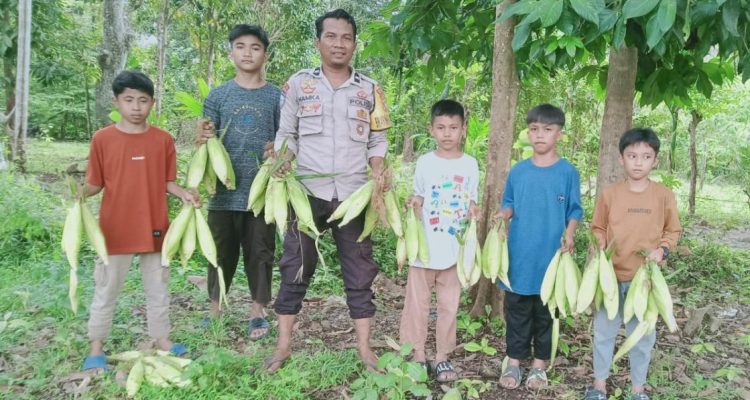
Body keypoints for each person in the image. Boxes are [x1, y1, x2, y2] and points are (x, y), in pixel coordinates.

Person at [265, 8, 390, 373]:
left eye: (346, 37)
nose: (339, 44)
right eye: (331, 36)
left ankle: (366, 350)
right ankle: (283, 345)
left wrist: (379, 168)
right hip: (306, 191)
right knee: (294, 267)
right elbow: (287, 133)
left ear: (354, 43)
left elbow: (378, 138)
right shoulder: (299, 84)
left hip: (353, 195)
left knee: (359, 271)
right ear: (318, 41)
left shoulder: (369, 89)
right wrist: (283, 159)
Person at [81, 71, 200, 371]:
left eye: (143, 101)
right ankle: (96, 346)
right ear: (116, 101)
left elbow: (167, 182)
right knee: (106, 287)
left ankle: (161, 340)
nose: (136, 107)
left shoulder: (162, 140)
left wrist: (185, 193)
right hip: (114, 230)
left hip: (155, 227)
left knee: (158, 288)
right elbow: (94, 184)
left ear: (153, 103)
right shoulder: (102, 139)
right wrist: (78, 194)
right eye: (129, 100)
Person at [195, 24, 281, 340]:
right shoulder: (218, 96)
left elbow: (286, 138)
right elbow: (204, 140)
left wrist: (279, 151)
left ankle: (258, 313)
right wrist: (201, 135)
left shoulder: (277, 96)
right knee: (219, 252)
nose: (248, 52)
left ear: (265, 55)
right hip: (222, 192)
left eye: (255, 47)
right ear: (231, 53)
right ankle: (215, 310)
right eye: (241, 46)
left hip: (262, 192)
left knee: (261, 252)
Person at [584, 128, 682, 400]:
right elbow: (598, 226)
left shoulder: (664, 195)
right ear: (621, 159)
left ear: (655, 161)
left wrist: (662, 251)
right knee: (604, 334)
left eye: (646, 156)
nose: (638, 162)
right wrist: (600, 243)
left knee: (642, 337)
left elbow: (673, 231)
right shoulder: (610, 193)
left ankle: (638, 389)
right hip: (611, 279)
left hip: (646, 281)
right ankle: (599, 386)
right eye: (632, 156)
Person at [497, 104, 583, 389]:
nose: (539, 135)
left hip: (552, 259)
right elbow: (508, 202)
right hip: (519, 257)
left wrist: (570, 234)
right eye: (534, 129)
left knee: (546, 315)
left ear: (559, 134)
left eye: (547, 130)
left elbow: (575, 210)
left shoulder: (567, 172)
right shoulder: (518, 171)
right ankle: (513, 364)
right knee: (518, 312)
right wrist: (504, 214)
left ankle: (538, 367)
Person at [399, 99, 479, 382]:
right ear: (431, 129)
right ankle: (417, 355)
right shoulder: (425, 162)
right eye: (441, 127)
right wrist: (414, 202)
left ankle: (442, 356)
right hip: (424, 248)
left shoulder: (470, 165)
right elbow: (419, 194)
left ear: (463, 130)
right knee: (417, 304)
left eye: (453, 127)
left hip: (453, 250)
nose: (447, 133)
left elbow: (472, 201)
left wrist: (474, 211)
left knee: (449, 306)